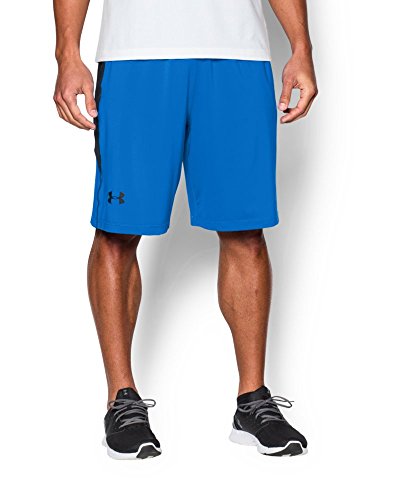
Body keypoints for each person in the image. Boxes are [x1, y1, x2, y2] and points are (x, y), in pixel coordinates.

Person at [53, 0, 318, 460]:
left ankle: (252, 401)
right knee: (117, 231)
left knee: (245, 230)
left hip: (238, 54)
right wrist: (67, 54)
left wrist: (301, 48)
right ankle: (121, 400)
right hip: (135, 54)